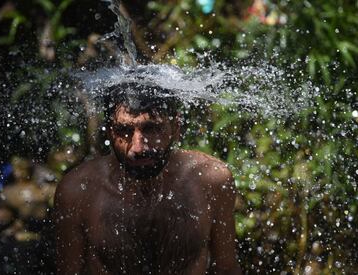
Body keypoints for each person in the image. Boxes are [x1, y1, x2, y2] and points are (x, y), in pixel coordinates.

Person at [54, 83, 242, 274]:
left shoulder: (211, 180)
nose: (138, 147)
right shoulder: (79, 190)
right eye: (124, 130)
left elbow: (226, 268)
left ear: (176, 128)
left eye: (151, 128)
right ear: (110, 131)